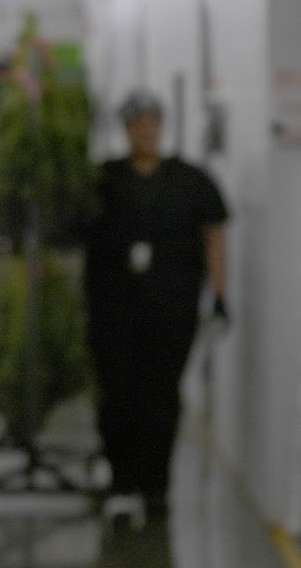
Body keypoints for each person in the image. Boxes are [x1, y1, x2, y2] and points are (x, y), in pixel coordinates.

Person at [84, 89, 228, 522]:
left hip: (171, 309)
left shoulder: (190, 181)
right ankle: (121, 480)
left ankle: (155, 485)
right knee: (116, 396)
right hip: (113, 310)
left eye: (152, 123)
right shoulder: (104, 180)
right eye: (136, 124)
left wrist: (220, 294)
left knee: (161, 397)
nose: (145, 131)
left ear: (162, 127)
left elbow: (214, 237)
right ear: (125, 130)